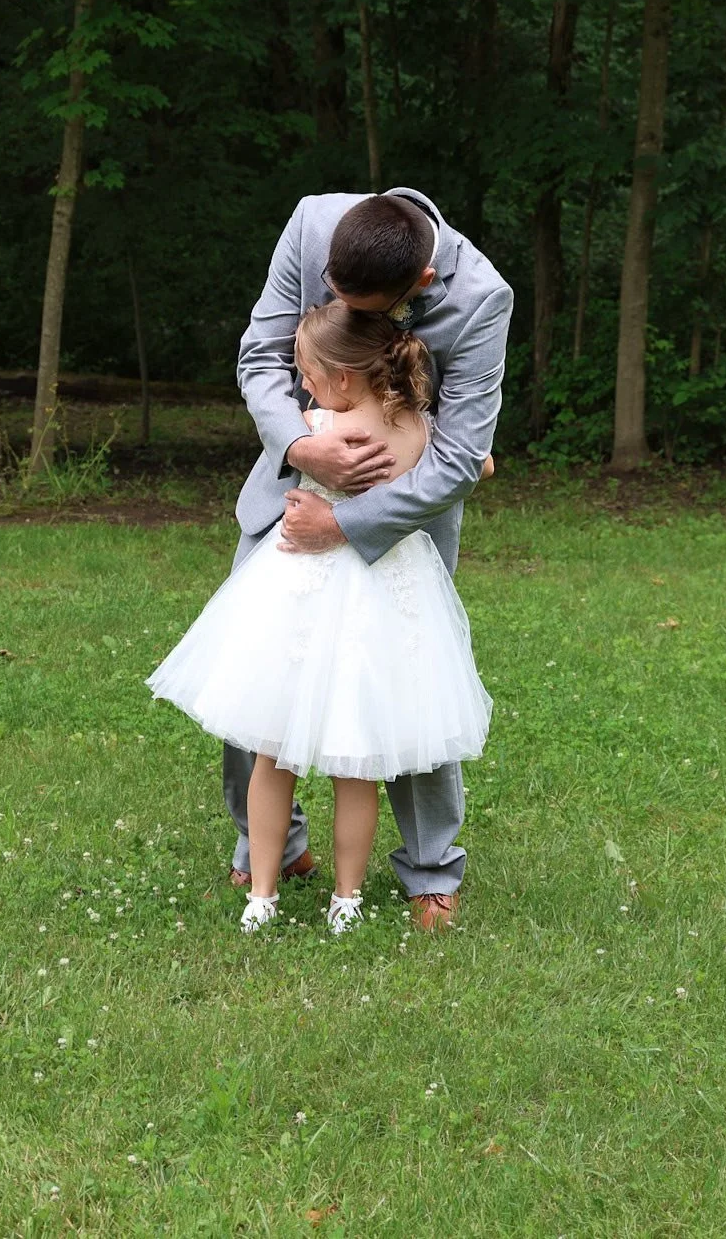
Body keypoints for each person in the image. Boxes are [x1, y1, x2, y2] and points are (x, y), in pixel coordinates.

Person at [148, 304, 493, 933]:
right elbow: (480, 466)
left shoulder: (317, 425)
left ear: (340, 378)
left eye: (306, 373)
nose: (301, 384)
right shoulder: (420, 430)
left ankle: (262, 893)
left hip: (301, 594)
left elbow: (282, 451)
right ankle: (347, 899)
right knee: (355, 763)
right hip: (388, 588)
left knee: (272, 752)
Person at [222, 188, 512, 930]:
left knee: (407, 688)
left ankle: (431, 869)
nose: (342, 312)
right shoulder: (310, 222)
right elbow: (260, 356)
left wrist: (345, 521)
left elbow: (459, 458)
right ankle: (271, 848)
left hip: (402, 527)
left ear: (420, 284)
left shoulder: (482, 301)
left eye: (363, 308)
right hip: (291, 499)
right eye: (333, 294)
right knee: (252, 676)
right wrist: (302, 444)